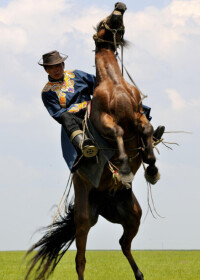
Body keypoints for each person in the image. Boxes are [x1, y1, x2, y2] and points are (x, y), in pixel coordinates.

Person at [39, 50, 165, 172]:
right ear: (46, 70)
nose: (56, 70)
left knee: (120, 100)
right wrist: (79, 107)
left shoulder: (76, 74)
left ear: (63, 65)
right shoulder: (47, 92)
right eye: (52, 67)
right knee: (66, 117)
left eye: (58, 66)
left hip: (93, 109)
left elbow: (98, 85)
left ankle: (147, 135)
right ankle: (84, 144)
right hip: (75, 121)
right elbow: (58, 114)